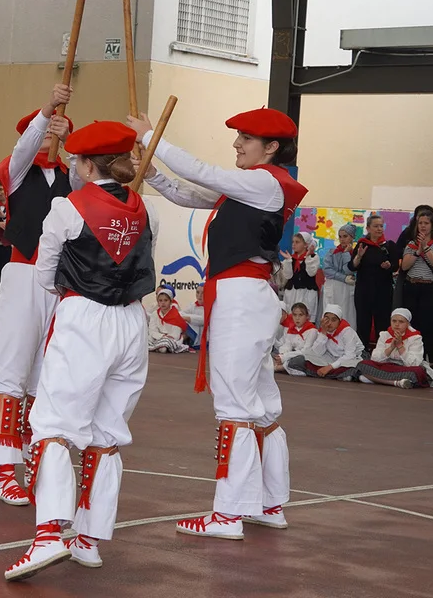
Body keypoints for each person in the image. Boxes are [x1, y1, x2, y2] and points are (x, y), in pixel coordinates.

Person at [129, 105, 306, 540]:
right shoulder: (256, 185)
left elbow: (203, 173)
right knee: (260, 404)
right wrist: (150, 171)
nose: (236, 145)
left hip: (240, 298)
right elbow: (188, 193)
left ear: (271, 147)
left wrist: (153, 137)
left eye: (246, 138)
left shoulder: (264, 183)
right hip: (246, 296)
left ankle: (228, 514)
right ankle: (269, 504)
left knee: (235, 405)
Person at [5, 121, 157, 580]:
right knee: (107, 431)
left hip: (84, 317)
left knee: (53, 424)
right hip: (132, 322)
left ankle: (48, 535)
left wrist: (71, 294)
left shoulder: (67, 207)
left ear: (88, 165)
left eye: (76, 161)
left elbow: (45, 272)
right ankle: (88, 540)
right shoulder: (146, 209)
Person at [0, 84, 75, 508]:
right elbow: (20, 153)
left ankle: (35, 463)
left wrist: (71, 141)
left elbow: (89, 179)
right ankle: (5, 473)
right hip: (22, 276)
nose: (49, 137)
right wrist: (47, 110)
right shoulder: (17, 173)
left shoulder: (74, 178)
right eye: (43, 131)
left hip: (60, 284)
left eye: (57, 130)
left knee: (45, 379)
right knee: (11, 374)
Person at [399, 210, 433, 365]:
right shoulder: (411, 244)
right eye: (420, 223)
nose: (423, 226)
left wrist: (426, 248)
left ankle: (432, 362)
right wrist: (417, 251)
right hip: (412, 287)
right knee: (413, 325)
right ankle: (414, 361)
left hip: (430, 289)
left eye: (426, 223)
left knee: (429, 327)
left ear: (432, 225)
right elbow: (405, 266)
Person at [356, 308, 433, 389]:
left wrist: (400, 346)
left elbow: (414, 363)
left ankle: (375, 379)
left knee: (417, 371)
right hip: (387, 366)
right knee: (363, 364)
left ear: (408, 323)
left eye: (401, 322)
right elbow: (375, 359)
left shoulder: (415, 338)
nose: (397, 324)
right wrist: (391, 347)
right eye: (394, 321)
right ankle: (397, 382)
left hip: (404, 368)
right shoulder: (384, 335)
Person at [349, 215, 397, 353]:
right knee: (363, 323)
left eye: (381, 226)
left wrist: (389, 265)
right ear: (368, 228)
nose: (379, 229)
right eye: (376, 226)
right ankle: (362, 352)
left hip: (383, 291)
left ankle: (382, 352)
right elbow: (352, 266)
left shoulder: (389, 245)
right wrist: (359, 256)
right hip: (364, 291)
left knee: (382, 324)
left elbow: (395, 266)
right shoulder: (362, 244)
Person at [283, 304, 361, 380]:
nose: (329, 323)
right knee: (302, 359)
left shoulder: (347, 331)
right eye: (327, 319)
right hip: (331, 358)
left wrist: (330, 367)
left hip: (352, 358)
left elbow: (350, 355)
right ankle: (341, 374)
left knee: (358, 365)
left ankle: (342, 373)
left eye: (333, 320)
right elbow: (317, 352)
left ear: (339, 321)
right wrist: (323, 333)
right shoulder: (323, 331)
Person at [320, 223, 356, 325]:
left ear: (352, 237)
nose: (342, 239)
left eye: (345, 236)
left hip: (347, 289)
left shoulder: (355, 254)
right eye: (340, 236)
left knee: (347, 313)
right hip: (333, 287)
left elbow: (348, 270)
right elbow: (327, 270)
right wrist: (343, 278)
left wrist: (346, 253)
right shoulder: (332, 252)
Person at [280, 232, 320, 319]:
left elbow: (311, 273)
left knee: (305, 317)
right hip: (292, 293)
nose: (293, 244)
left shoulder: (313, 257)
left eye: (297, 242)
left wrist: (307, 258)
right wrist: (288, 261)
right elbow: (287, 276)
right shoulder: (290, 258)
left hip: (306, 293)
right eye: (293, 242)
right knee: (291, 317)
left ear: (306, 245)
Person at [272, 302, 317, 372]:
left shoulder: (312, 331)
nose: (297, 318)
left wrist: (285, 356)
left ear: (307, 316)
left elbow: (305, 351)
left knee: (300, 360)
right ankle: (281, 364)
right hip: (292, 354)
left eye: (300, 315)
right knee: (272, 354)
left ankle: (281, 367)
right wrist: (281, 354)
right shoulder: (292, 328)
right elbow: (287, 345)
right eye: (295, 315)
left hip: (304, 355)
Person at [147, 285, 192, 353]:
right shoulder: (154, 314)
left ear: (170, 302)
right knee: (147, 339)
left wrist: (166, 338)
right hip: (158, 337)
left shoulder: (175, 315)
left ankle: (159, 346)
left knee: (166, 344)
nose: (163, 303)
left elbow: (176, 334)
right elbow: (152, 331)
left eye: (165, 300)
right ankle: (159, 346)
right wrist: (162, 336)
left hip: (171, 339)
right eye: (160, 300)